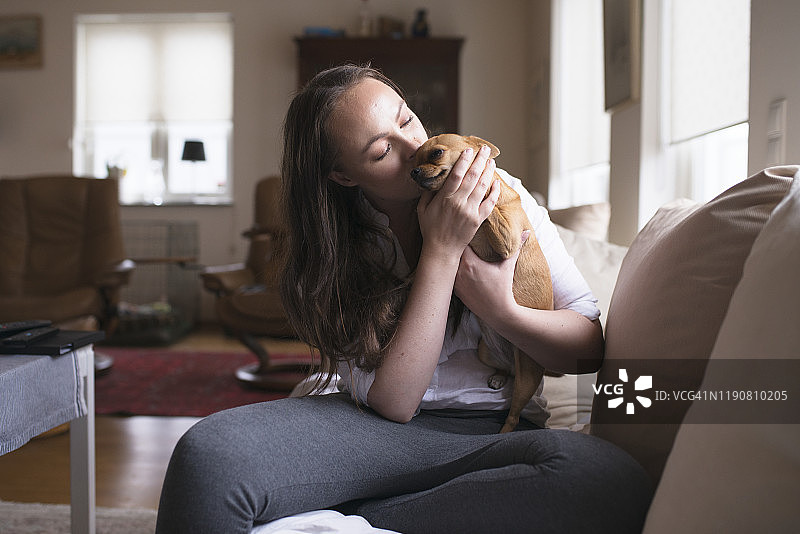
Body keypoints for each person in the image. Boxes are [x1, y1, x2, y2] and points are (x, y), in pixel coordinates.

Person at [156, 65, 653, 534]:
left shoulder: (503, 196)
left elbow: (586, 351)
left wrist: (500, 310)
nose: (415, 148)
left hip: (496, 431)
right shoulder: (332, 247)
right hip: (373, 429)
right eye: (382, 151)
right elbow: (394, 403)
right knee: (208, 457)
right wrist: (441, 250)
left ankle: (355, 515)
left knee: (604, 477)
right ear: (344, 176)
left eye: (407, 119)